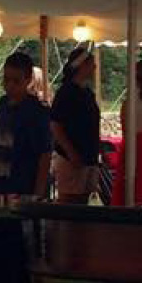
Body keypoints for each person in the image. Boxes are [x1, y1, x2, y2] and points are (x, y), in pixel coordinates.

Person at [0, 52, 51, 199]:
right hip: (1, 181)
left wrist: (38, 193)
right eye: (6, 80)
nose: (10, 86)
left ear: (28, 80)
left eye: (16, 81)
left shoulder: (38, 111)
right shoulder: (2, 105)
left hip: (25, 182)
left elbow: (45, 154)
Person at [50, 47, 101, 204]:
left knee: (83, 199)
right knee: (70, 200)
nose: (94, 67)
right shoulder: (66, 93)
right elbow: (55, 125)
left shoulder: (86, 92)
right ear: (82, 66)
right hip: (71, 158)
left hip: (87, 156)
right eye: (91, 63)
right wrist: (71, 152)